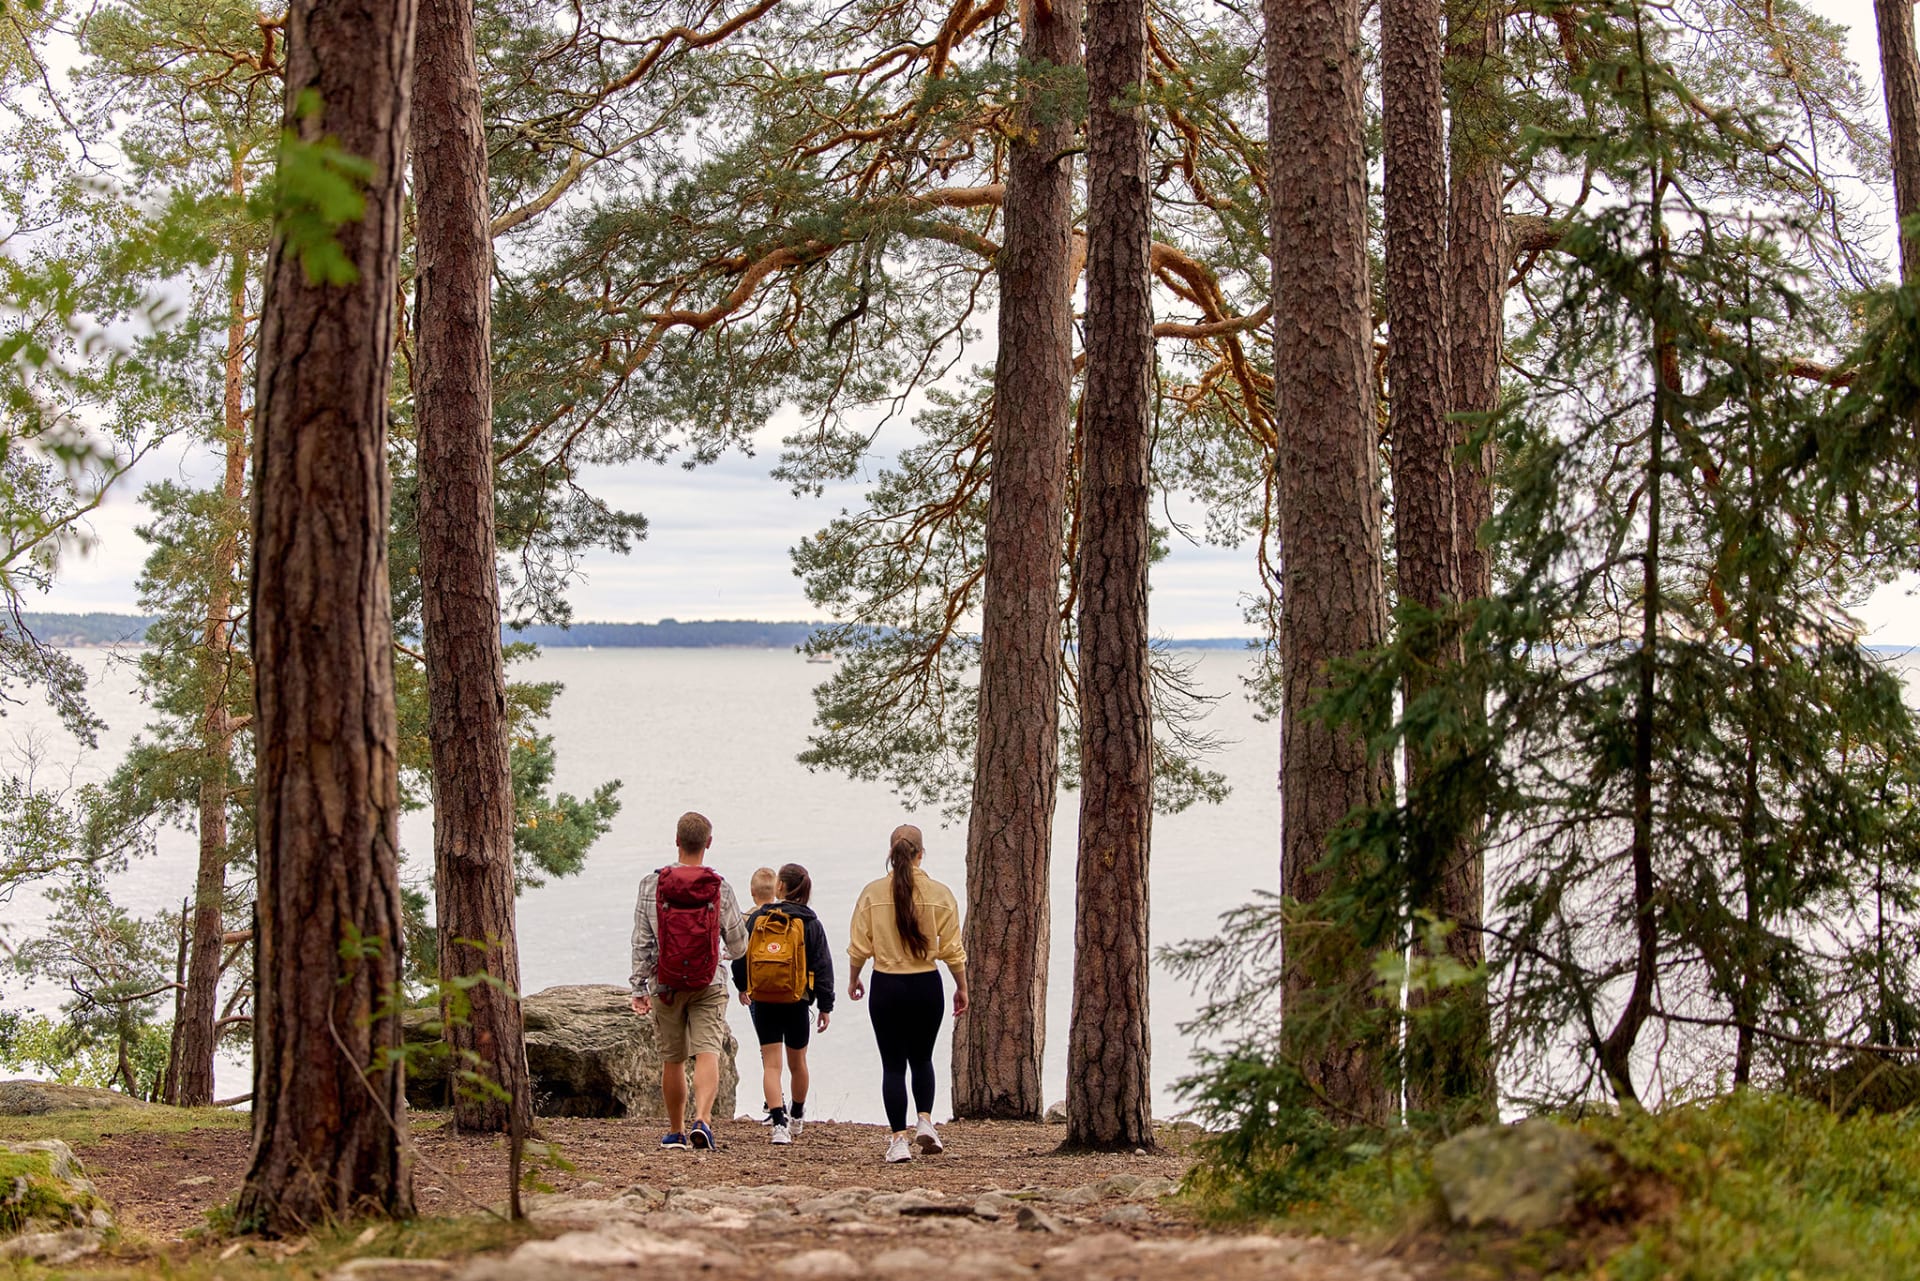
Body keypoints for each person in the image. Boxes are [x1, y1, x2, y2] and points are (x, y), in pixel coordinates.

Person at [847, 823, 968, 1164]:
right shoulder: (941, 894)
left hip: (887, 985)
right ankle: (926, 1120)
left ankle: (898, 1139)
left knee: (893, 1066)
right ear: (920, 854)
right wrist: (962, 986)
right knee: (922, 1058)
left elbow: (859, 947)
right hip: (926, 986)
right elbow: (953, 950)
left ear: (891, 853)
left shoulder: (872, 893)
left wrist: (854, 979)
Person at [629, 811, 748, 1151]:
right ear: (708, 843)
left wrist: (639, 987)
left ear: (677, 841)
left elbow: (642, 941)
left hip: (665, 983)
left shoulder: (651, 884)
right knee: (707, 1051)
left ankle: (675, 1131)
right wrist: (720, 954)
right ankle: (704, 1121)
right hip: (708, 982)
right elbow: (739, 945)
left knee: (673, 1058)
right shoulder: (718, 887)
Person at [730, 863, 835, 1145]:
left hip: (764, 999)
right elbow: (823, 967)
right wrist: (826, 1005)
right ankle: (797, 1115)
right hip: (797, 1000)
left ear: (780, 887)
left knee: (772, 1066)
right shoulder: (811, 923)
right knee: (798, 1063)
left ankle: (778, 1124)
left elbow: (741, 955)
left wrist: (743, 987)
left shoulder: (759, 918)